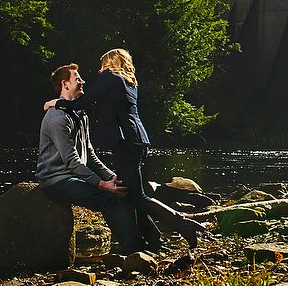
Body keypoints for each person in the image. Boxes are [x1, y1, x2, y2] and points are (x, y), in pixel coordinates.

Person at [45, 49, 203, 250]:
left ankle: (182, 224)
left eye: (102, 65)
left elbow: (86, 101)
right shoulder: (129, 82)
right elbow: (98, 106)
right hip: (137, 141)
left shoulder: (111, 76)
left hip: (126, 143)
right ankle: (154, 242)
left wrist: (56, 103)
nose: (99, 71)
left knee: (137, 197)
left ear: (110, 63)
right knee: (130, 194)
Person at [37, 63, 145, 255]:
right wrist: (101, 184)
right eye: (77, 79)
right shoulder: (57, 118)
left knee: (124, 189)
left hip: (73, 176)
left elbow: (89, 154)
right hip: (56, 180)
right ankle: (135, 251)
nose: (83, 81)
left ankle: (145, 243)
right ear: (65, 84)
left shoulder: (80, 114)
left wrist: (112, 177)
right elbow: (71, 161)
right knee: (107, 198)